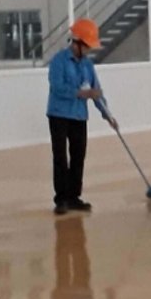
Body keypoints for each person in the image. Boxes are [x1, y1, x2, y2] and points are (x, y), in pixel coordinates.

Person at [46, 18, 106, 215]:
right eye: (87, 47)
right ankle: (61, 198)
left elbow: (96, 91)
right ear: (77, 43)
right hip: (59, 115)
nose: (89, 51)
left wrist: (107, 114)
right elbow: (57, 88)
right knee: (61, 157)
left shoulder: (87, 65)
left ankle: (74, 197)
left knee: (78, 156)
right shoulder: (59, 61)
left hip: (79, 116)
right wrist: (81, 94)